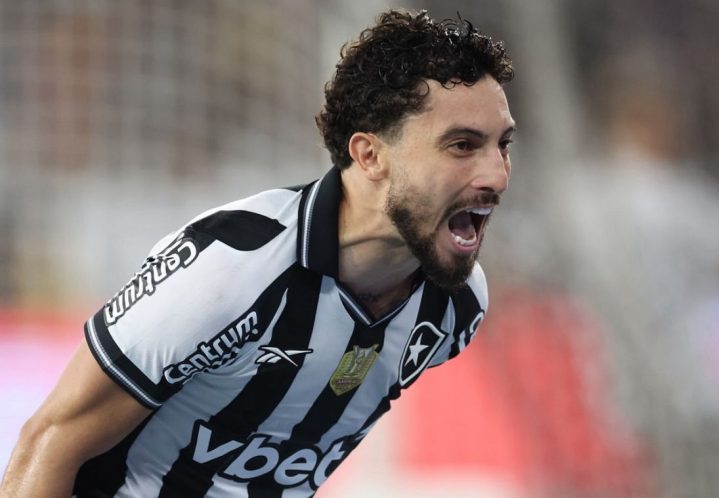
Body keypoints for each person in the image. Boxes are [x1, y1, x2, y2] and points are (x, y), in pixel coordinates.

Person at [0, 9, 515, 497]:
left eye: (502, 145)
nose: (496, 175)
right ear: (369, 154)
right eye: (462, 146)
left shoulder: (456, 307)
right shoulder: (232, 268)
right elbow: (48, 441)